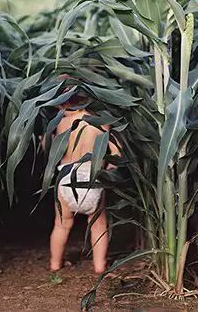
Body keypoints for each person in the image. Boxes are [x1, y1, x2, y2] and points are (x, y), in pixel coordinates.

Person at [48, 83, 120, 275]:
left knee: (61, 224)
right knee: (98, 225)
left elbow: (50, 148)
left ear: (62, 103)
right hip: (92, 177)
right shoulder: (100, 122)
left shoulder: (61, 124)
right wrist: (108, 168)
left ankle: (55, 264)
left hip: (66, 177)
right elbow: (117, 153)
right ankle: (99, 266)